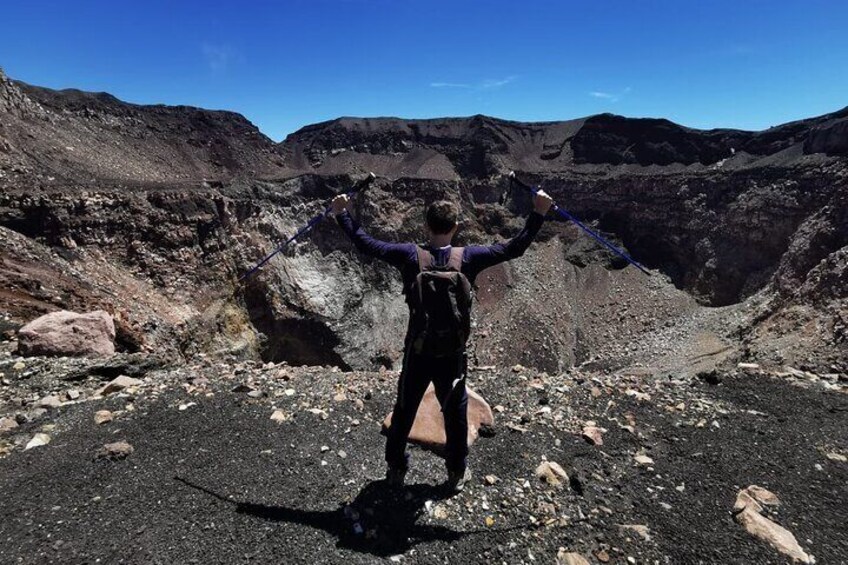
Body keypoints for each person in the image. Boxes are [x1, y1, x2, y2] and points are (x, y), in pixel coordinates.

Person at [331, 189, 553, 494]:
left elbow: (366, 244)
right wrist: (539, 212)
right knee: (455, 413)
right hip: (452, 355)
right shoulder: (468, 258)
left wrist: (343, 213)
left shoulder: (410, 256)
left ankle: (396, 469)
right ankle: (455, 473)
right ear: (456, 227)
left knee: (405, 409)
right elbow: (514, 248)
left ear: (425, 226)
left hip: (418, 352)